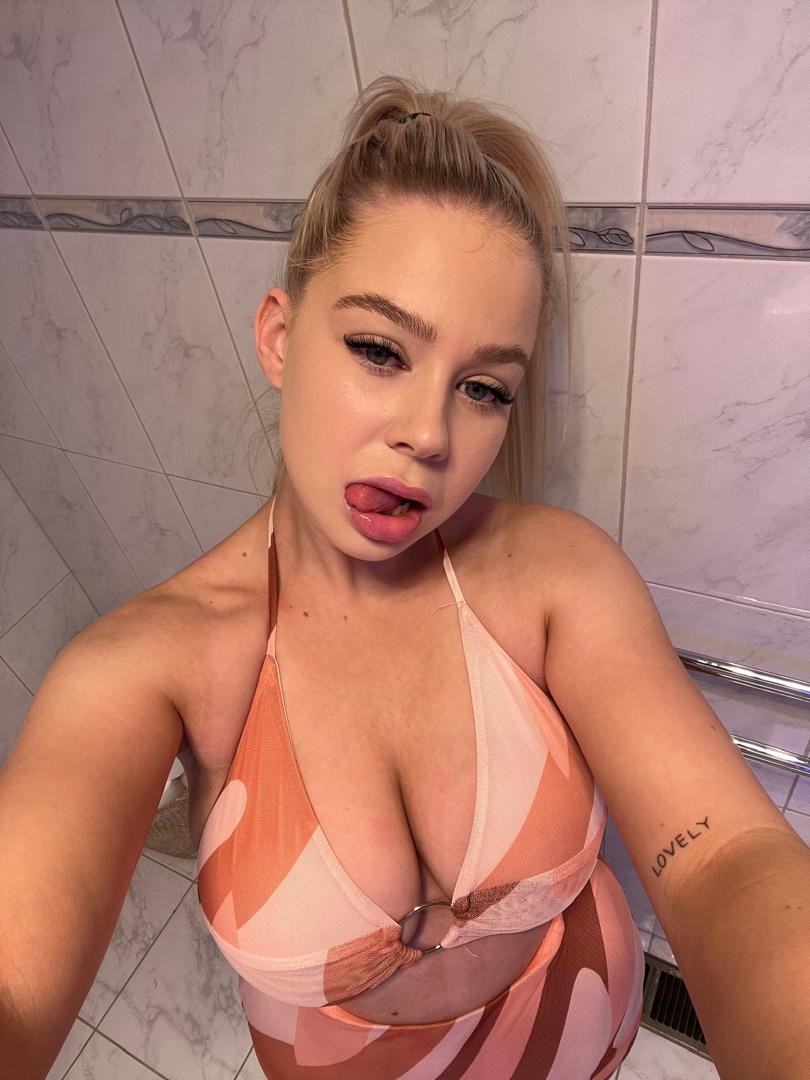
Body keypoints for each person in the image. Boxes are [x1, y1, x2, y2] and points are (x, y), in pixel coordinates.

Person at [1, 75, 808, 1080]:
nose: (429, 434)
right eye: (380, 350)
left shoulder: (554, 578)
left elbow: (729, 861)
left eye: (483, 388)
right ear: (280, 339)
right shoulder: (150, 666)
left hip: (581, 1029)